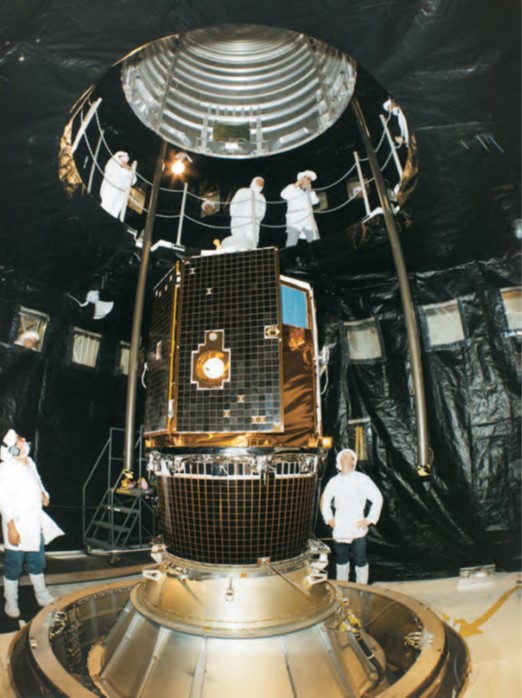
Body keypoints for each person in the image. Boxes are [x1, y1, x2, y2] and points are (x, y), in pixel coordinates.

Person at [0, 429, 64, 618]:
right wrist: (11, 528)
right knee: (14, 565)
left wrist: (44, 495)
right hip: (17, 525)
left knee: (37, 562)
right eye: (21, 440)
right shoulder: (5, 469)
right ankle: (11, 601)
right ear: (12, 448)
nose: (25, 441)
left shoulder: (30, 463)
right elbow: (3, 500)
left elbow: (38, 483)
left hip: (35, 523)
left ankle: (42, 595)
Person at [321, 448, 383, 584]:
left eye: (349, 456)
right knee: (341, 560)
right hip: (340, 528)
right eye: (343, 456)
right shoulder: (334, 481)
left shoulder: (362, 479)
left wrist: (369, 519)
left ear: (353, 461)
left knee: (360, 560)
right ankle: (342, 587)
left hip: (357, 528)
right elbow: (324, 500)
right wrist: (329, 519)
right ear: (338, 461)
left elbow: (377, 497)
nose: (346, 458)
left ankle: (362, 588)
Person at [221, 177, 266, 251]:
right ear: (253, 182)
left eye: (261, 184)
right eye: (258, 182)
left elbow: (262, 212)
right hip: (239, 220)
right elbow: (234, 203)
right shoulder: (242, 191)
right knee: (238, 239)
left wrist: (257, 219)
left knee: (252, 241)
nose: (260, 185)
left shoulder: (261, 198)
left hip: (253, 223)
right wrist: (235, 216)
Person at [280, 170, 320, 247]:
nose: (308, 180)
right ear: (301, 179)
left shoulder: (308, 193)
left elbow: (315, 202)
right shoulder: (293, 189)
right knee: (291, 244)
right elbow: (283, 194)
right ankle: (289, 258)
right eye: (307, 178)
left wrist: (310, 190)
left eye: (310, 179)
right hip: (295, 221)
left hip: (308, 221)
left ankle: (316, 258)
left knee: (315, 243)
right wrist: (295, 184)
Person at [100, 151, 137, 219]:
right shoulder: (113, 163)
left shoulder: (126, 171)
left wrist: (128, 168)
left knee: (114, 212)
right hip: (110, 190)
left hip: (119, 195)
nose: (124, 162)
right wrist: (126, 167)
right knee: (106, 208)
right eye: (123, 159)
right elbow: (109, 167)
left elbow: (134, 180)